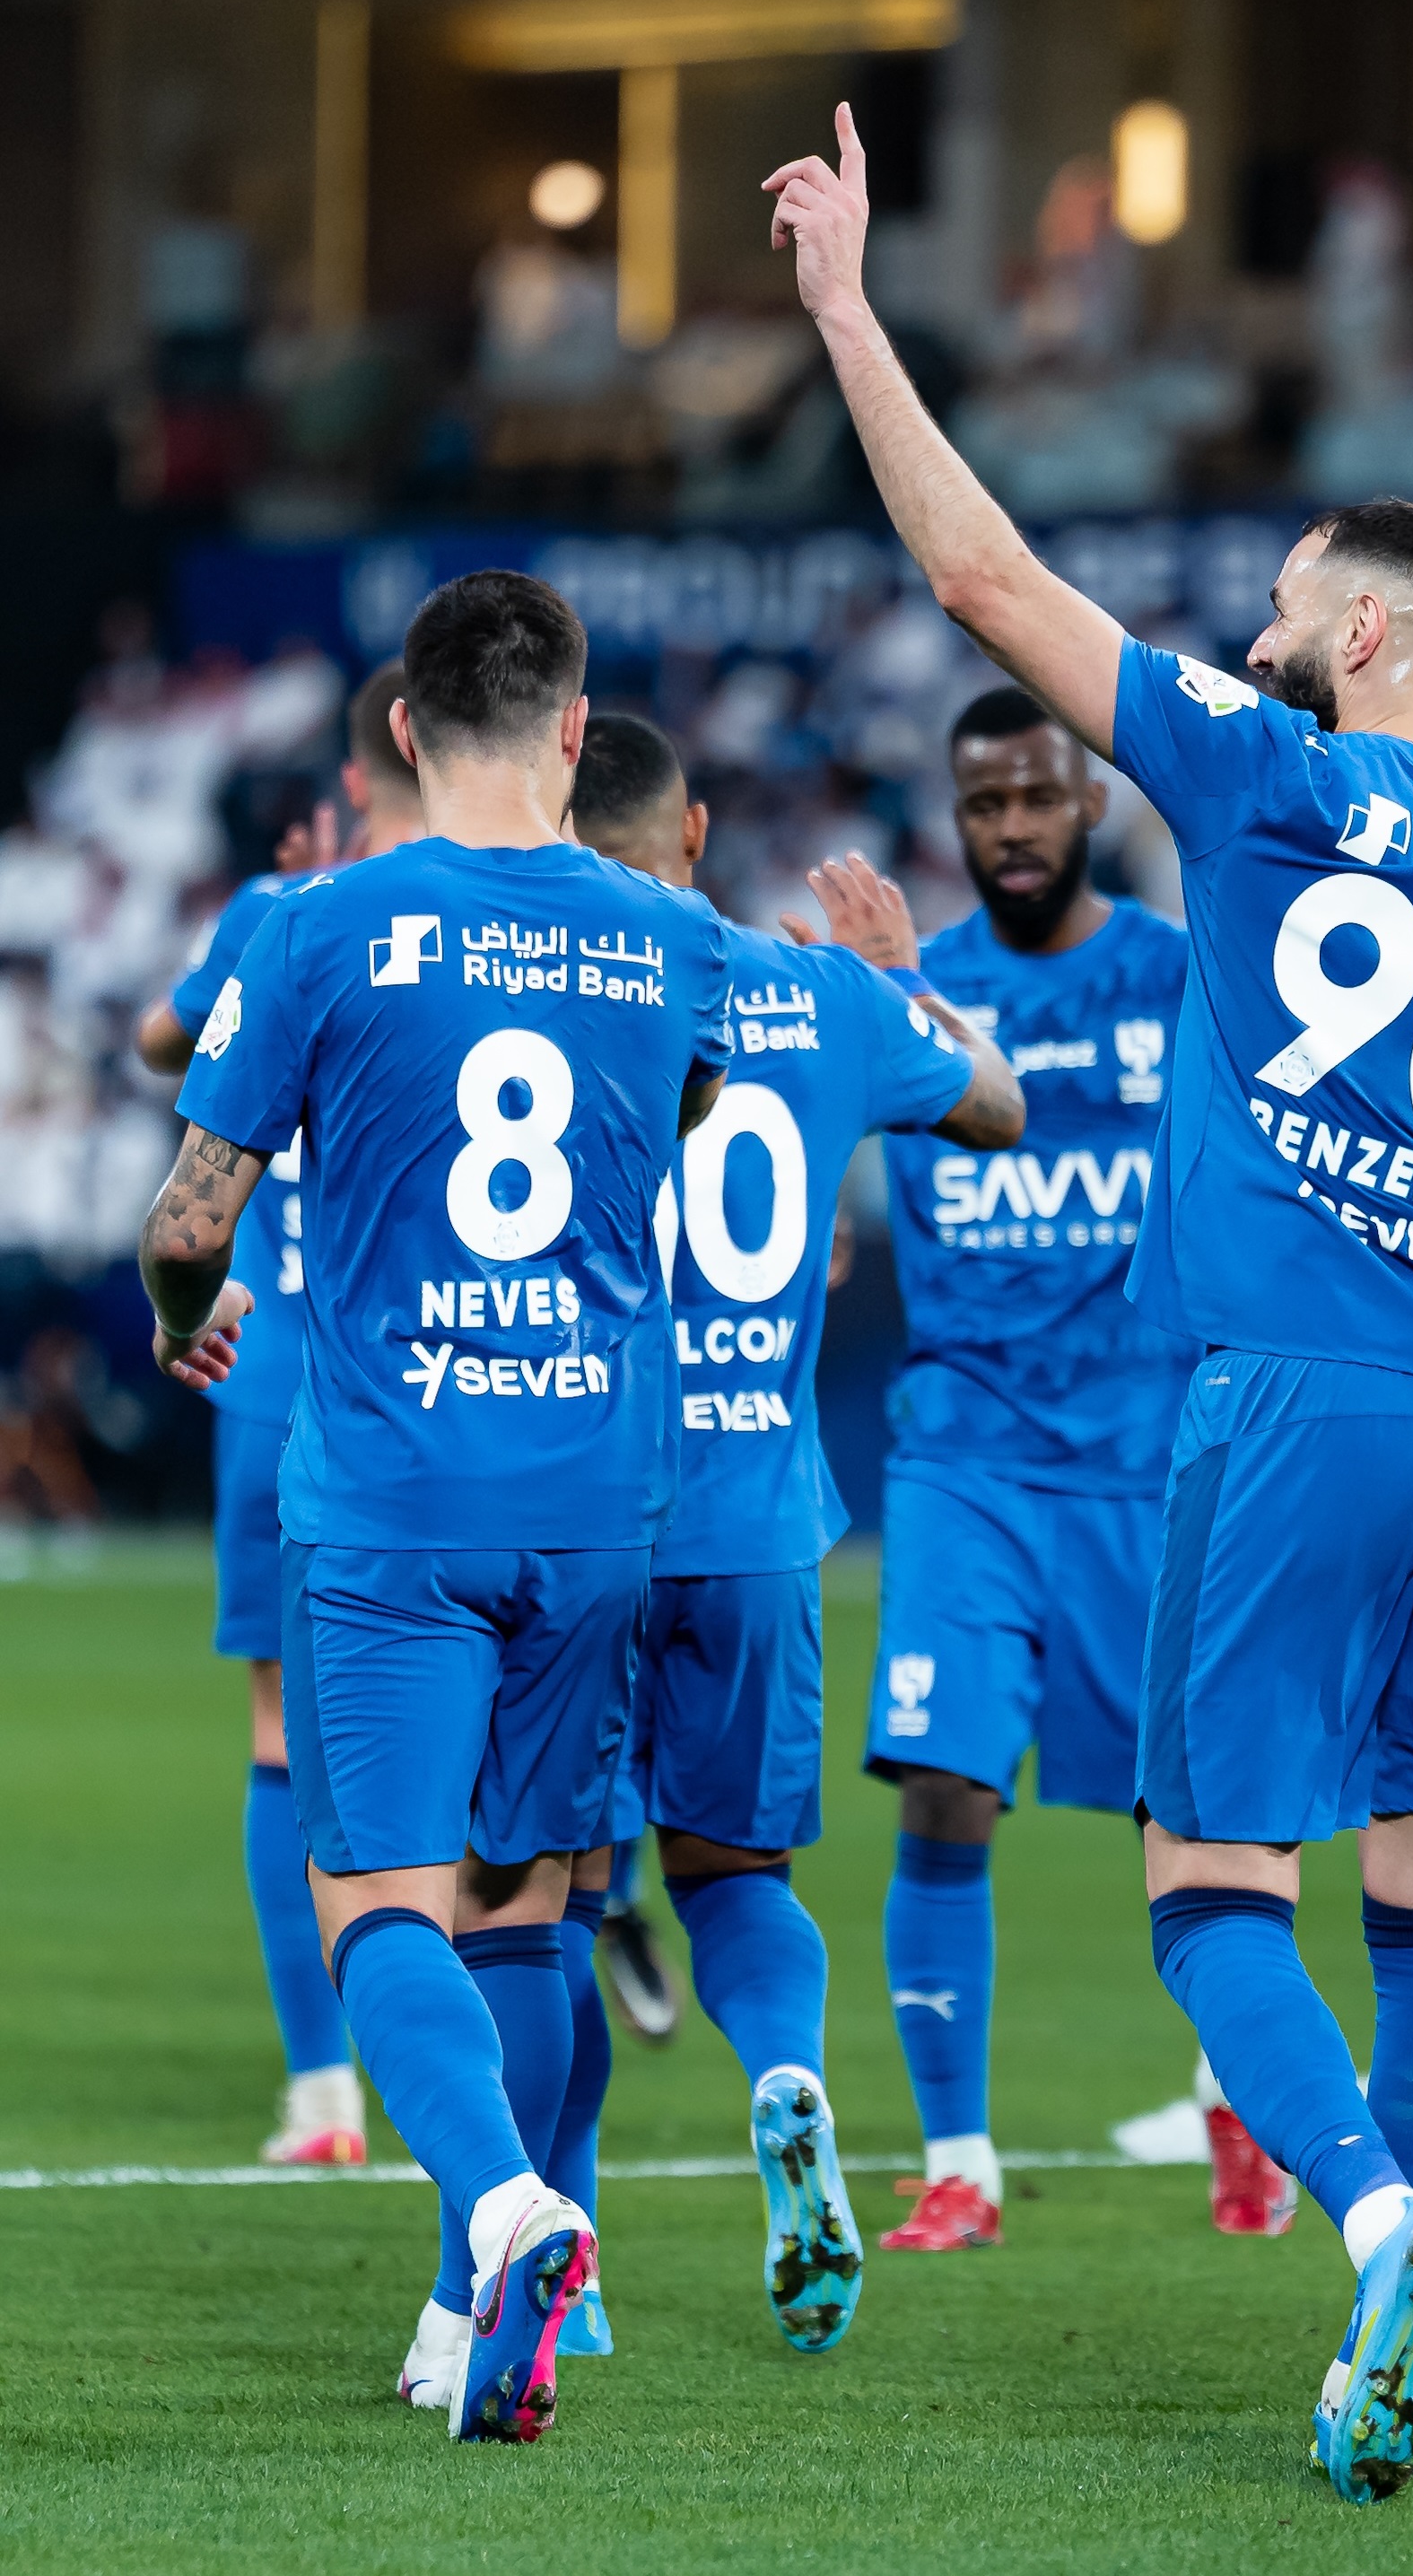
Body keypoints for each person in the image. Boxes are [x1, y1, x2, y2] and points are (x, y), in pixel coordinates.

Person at [763, 105, 1413, 2505]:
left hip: (1286, 1397)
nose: (1264, 621)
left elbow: (980, 575)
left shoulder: (1260, 768)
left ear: (1367, 637)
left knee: (1207, 1892)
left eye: (1294, 595)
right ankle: (1398, 2335)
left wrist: (853, 314)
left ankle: (1384, 2223)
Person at [139, 570, 738, 2446]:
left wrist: (176, 1314)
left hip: (394, 1491)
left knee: (378, 1906)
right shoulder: (671, 934)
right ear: (576, 729)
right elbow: (685, 1111)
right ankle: (456, 2308)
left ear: (402, 730)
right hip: (598, 1495)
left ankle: (502, 2212)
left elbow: (191, 1217)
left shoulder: (319, 925)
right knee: (527, 1906)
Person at [402, 712, 1016, 2389]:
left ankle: (566, 2264)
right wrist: (903, 978)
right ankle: (787, 2079)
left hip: (581, 1511)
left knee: (535, 1903)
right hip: (758, 1529)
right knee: (740, 1878)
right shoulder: (816, 994)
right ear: (692, 838)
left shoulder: (527, 988)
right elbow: (999, 1105)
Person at [868, 687, 1293, 2253]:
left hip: (1150, 1459)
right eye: (986, 804)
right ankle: (958, 2164)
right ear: (957, 817)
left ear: (1093, 801)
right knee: (943, 1785)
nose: (1015, 828)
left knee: (1194, 1811)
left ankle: (1236, 2101)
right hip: (965, 1457)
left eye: (1039, 797)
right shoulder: (913, 991)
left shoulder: (1182, 976)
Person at [131, 659, 425, 2167]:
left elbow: (156, 1042)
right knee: (466, 1726)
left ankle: (324, 2095)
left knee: (281, 1736)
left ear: (361, 773)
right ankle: (472, 2075)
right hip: (446, 1380)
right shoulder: (526, 916)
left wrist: (262, 921)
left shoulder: (280, 914)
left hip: (270, 1362)